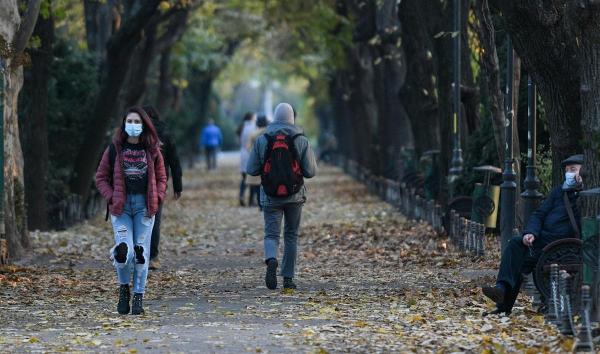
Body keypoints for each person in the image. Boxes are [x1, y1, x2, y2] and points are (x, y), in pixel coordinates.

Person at [481, 154, 584, 315]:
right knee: (515, 245)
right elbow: (539, 214)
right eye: (567, 170)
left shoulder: (585, 197)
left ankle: (503, 303)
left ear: (584, 172)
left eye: (573, 169)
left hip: (562, 247)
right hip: (541, 241)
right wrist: (530, 233)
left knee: (521, 261)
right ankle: (501, 293)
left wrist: (579, 192)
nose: (569, 174)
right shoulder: (559, 192)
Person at [96, 106, 167, 315]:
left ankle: (138, 296)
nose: (133, 126)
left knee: (140, 253)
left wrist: (158, 197)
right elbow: (101, 177)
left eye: (137, 122)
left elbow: (162, 178)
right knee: (123, 251)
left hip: (144, 207)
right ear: (124, 124)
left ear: (144, 125)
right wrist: (111, 197)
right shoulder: (114, 149)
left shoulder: (153, 150)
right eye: (130, 121)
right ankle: (123, 289)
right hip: (121, 208)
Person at [247, 103, 317, 290]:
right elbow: (310, 172)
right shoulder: (300, 139)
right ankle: (288, 278)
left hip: (270, 195)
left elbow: (251, 169)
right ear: (292, 118)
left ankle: (271, 259)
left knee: (271, 234)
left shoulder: (263, 139)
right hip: (295, 196)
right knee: (291, 235)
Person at [143, 105, 183, 271]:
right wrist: (178, 186)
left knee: (136, 217)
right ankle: (152, 257)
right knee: (154, 218)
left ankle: (137, 253)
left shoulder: (138, 131)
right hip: (160, 180)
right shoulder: (165, 131)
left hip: (136, 179)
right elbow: (174, 160)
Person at [246, 115, 269, 209]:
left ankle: (260, 203)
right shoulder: (270, 132)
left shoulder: (253, 134)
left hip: (257, 161)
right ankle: (266, 202)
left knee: (256, 184)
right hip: (268, 161)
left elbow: (248, 148)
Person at [239, 112, 257, 206]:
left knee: (244, 178)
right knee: (253, 179)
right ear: (251, 118)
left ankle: (241, 195)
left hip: (243, 154)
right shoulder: (253, 127)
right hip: (250, 154)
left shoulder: (243, 127)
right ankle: (251, 201)